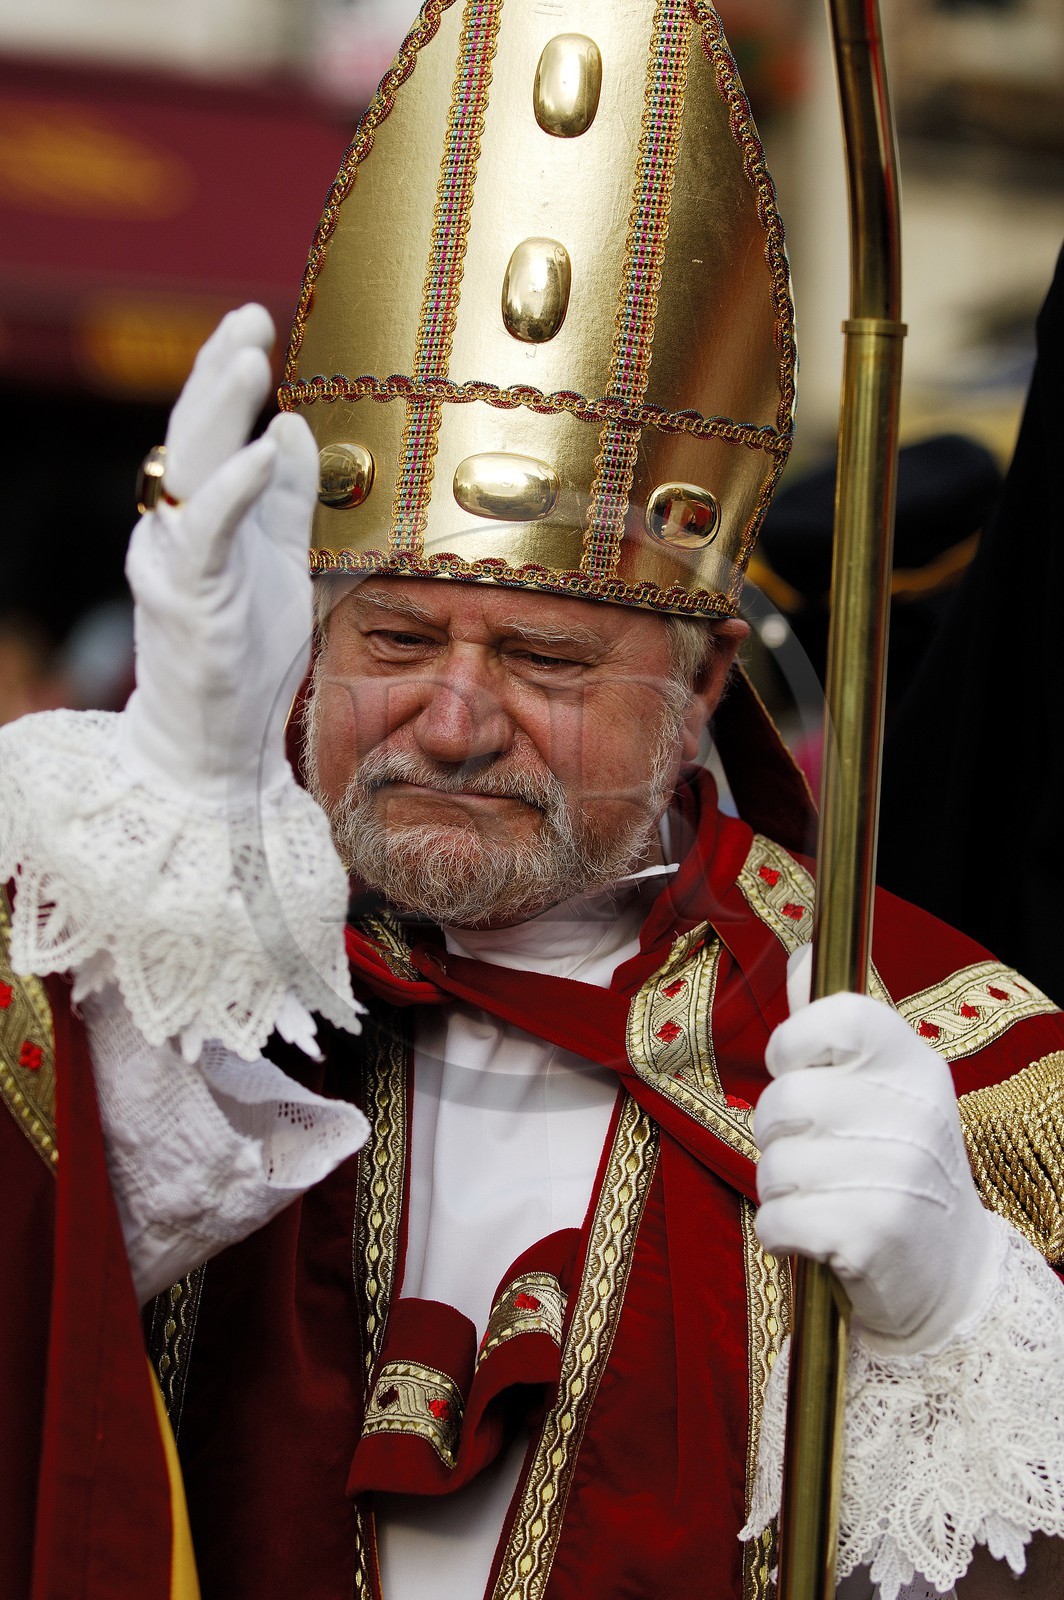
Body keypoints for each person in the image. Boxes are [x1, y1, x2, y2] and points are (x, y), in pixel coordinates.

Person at [1, 6, 1063, 1600]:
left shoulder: (949, 1069)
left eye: (549, 661)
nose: (449, 716)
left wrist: (961, 1319)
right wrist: (171, 815)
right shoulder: (157, 987)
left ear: (703, 688)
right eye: (396, 636)